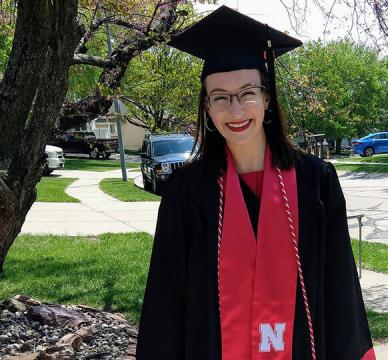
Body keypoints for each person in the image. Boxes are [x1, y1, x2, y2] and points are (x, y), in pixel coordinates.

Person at [136, 6, 375, 360]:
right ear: (207, 107)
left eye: (247, 92)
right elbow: (166, 299)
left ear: (266, 97)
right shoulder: (187, 191)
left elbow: (340, 288)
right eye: (220, 97)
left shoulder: (316, 182)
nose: (235, 110)